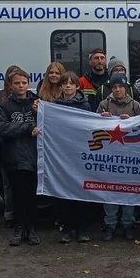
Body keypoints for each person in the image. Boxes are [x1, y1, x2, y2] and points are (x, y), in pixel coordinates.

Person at [0, 68, 40, 247]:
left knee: (32, 196)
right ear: (11, 85)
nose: (21, 86)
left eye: (24, 83)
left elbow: (47, 125)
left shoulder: (38, 103)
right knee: (17, 196)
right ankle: (19, 228)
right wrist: (27, 128)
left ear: (28, 84)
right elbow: (2, 128)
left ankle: (32, 228)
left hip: (34, 156)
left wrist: (37, 113)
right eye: (17, 83)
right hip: (13, 157)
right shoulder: (4, 106)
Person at [97, 74, 140, 240]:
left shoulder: (135, 105)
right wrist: (101, 118)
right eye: (114, 87)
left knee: (128, 190)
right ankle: (110, 224)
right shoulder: (104, 104)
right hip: (109, 156)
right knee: (110, 191)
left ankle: (128, 224)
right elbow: (93, 127)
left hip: (129, 156)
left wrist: (131, 121)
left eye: (121, 87)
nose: (117, 90)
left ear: (126, 88)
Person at [53, 71, 92, 244]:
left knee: (81, 192)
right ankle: (67, 228)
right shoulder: (54, 106)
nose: (68, 86)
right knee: (64, 192)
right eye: (65, 83)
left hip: (80, 154)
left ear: (77, 86)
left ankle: (82, 228)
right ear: (60, 86)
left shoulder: (85, 105)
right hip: (62, 154)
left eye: (71, 83)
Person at [0, 65, 23, 230]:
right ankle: (9, 215)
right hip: (5, 146)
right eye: (12, 78)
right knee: (7, 184)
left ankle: (24, 217)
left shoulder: (29, 100)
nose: (17, 83)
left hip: (24, 148)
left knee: (24, 185)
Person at [79, 48, 111, 112]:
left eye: (102, 58)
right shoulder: (82, 81)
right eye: (96, 58)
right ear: (90, 62)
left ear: (106, 61)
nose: (100, 61)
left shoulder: (112, 80)